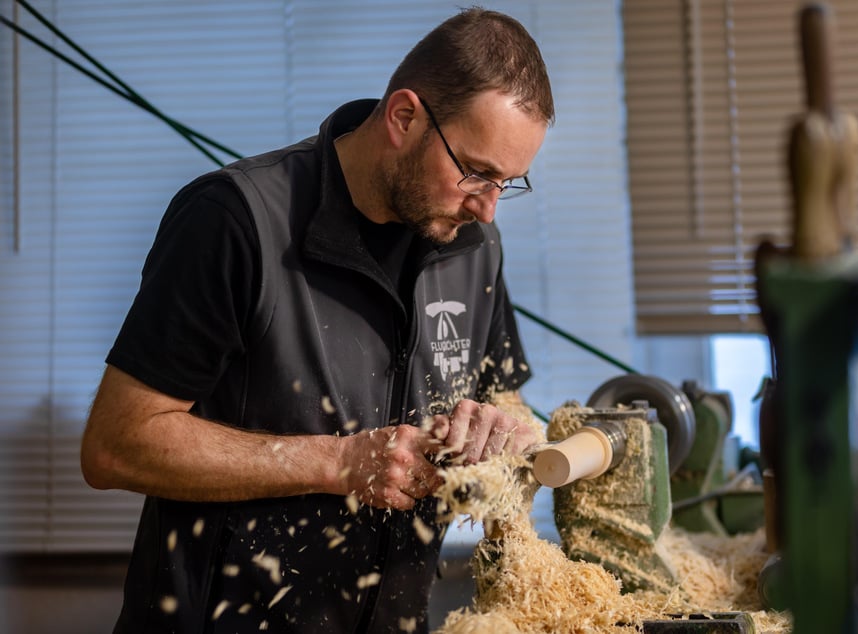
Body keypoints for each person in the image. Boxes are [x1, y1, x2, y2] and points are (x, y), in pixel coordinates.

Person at [80, 6, 555, 634]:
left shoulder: (474, 245)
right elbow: (115, 445)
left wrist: (507, 431)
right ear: (404, 117)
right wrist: (339, 462)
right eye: (476, 172)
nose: (489, 209)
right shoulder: (235, 220)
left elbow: (505, 399)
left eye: (509, 183)